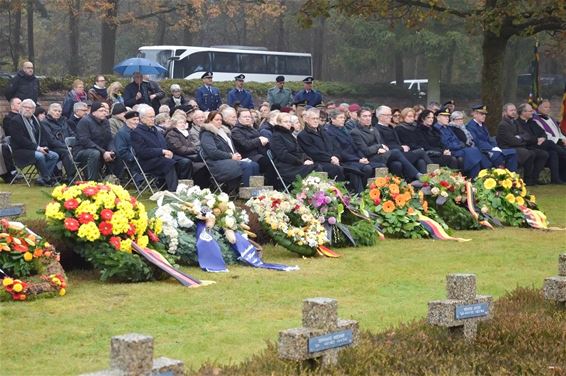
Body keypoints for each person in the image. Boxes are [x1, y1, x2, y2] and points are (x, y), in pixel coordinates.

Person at [131, 105, 191, 192]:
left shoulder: (155, 130)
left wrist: (168, 152)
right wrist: (162, 152)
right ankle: (173, 191)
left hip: (162, 157)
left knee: (185, 162)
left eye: (154, 116)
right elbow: (142, 152)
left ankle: (184, 189)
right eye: (150, 117)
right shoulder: (136, 133)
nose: (153, 119)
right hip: (148, 161)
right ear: (142, 118)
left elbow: (165, 145)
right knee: (169, 163)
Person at [351, 108, 421, 181]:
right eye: (364, 116)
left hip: (380, 155)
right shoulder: (355, 132)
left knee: (397, 164)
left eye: (369, 116)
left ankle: (399, 186)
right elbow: (366, 151)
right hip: (369, 158)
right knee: (396, 152)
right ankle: (416, 175)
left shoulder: (374, 129)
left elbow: (382, 144)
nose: (368, 118)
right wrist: (379, 147)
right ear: (359, 118)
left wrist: (382, 148)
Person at [200, 111, 260, 190]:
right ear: (210, 120)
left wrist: (236, 154)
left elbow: (232, 148)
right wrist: (231, 156)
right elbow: (212, 152)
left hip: (229, 160)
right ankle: (246, 193)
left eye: (221, 120)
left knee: (254, 165)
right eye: (216, 120)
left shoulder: (224, 132)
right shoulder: (207, 134)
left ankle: (255, 192)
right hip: (216, 163)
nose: (219, 122)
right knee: (247, 166)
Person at [7, 99, 59, 186]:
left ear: (34, 110)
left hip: (35, 148)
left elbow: (42, 136)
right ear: (21, 108)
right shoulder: (15, 121)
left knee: (54, 156)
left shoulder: (35, 120)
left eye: (30, 108)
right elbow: (21, 140)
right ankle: (47, 178)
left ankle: (42, 178)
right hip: (21, 151)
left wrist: (44, 147)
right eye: (25, 107)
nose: (27, 109)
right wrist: (38, 148)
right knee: (40, 155)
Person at [496, 103, 548, 186]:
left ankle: (533, 178)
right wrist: (521, 139)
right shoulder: (503, 125)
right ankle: (527, 180)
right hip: (508, 148)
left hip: (520, 146)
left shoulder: (515, 123)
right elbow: (512, 141)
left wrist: (520, 138)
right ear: (505, 112)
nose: (513, 112)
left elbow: (526, 135)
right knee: (529, 153)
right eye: (511, 110)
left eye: (514, 110)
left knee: (543, 154)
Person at [515, 103, 566, 184]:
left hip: (539, 144)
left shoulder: (531, 122)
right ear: (523, 112)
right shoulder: (517, 123)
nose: (532, 112)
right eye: (530, 111)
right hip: (528, 145)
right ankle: (564, 153)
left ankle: (554, 179)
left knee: (553, 153)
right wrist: (537, 140)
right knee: (550, 143)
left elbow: (543, 133)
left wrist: (542, 138)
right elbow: (525, 137)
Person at [324, 109, 373, 193]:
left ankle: (363, 192)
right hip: (345, 160)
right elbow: (339, 151)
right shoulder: (329, 132)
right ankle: (360, 193)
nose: (343, 119)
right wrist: (358, 160)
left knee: (370, 166)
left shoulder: (344, 129)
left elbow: (354, 146)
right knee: (366, 168)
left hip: (354, 158)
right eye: (340, 117)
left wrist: (362, 157)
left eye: (343, 117)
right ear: (332, 119)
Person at [434, 108, 491, 178]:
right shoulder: (436, 129)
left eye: (448, 116)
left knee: (475, 157)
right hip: (451, 151)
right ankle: (488, 170)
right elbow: (446, 144)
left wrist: (460, 144)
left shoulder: (447, 127)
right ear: (438, 118)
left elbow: (456, 139)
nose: (447, 118)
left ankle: (476, 178)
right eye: (445, 116)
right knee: (474, 151)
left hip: (459, 148)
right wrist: (460, 145)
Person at [375, 105, 431, 174]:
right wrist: (401, 147)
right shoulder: (377, 129)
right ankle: (436, 174)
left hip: (401, 153)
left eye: (390, 115)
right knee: (420, 152)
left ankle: (425, 182)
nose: (390, 117)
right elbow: (384, 146)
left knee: (420, 161)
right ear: (380, 116)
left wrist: (403, 147)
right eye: (388, 115)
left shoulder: (391, 128)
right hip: (391, 154)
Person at [271, 112, 319, 186]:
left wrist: (306, 159)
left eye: (289, 121)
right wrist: (301, 162)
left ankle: (313, 193)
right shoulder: (276, 136)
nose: (288, 124)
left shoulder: (289, 134)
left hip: (295, 164)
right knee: (316, 168)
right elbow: (283, 155)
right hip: (286, 167)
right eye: (285, 122)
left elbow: (300, 151)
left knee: (317, 166)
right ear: (279, 123)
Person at [297, 108, 346, 181]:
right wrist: (330, 158)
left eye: (317, 118)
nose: (316, 120)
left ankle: (355, 191)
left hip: (333, 160)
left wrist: (336, 156)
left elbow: (335, 146)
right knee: (337, 169)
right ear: (306, 120)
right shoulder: (303, 135)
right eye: (313, 118)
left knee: (354, 170)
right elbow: (313, 153)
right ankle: (338, 191)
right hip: (318, 162)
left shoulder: (324, 132)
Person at [466, 104, 518, 171]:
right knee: (498, 156)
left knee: (512, 152)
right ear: (475, 114)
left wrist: (495, 146)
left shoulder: (483, 125)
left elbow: (489, 138)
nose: (484, 116)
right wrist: (492, 148)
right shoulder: (470, 126)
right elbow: (477, 142)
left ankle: (511, 176)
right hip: (482, 151)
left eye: (485, 114)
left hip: (490, 149)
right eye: (482, 114)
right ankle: (499, 176)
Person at [74, 101, 117, 181]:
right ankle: (92, 181)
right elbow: (85, 141)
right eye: (101, 111)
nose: (104, 113)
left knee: (117, 152)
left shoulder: (106, 122)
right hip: (82, 151)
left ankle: (112, 179)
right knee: (94, 153)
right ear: (93, 112)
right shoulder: (84, 121)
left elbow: (109, 139)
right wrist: (103, 152)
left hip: (100, 150)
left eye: (105, 111)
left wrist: (111, 151)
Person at [231, 108, 270, 176]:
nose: (247, 118)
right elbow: (245, 145)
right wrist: (259, 140)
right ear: (238, 118)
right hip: (248, 156)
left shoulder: (252, 129)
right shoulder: (236, 131)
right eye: (245, 117)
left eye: (249, 117)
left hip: (260, 154)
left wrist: (266, 141)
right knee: (267, 163)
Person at [114, 110, 141, 185]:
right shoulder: (122, 133)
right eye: (134, 120)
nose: (136, 122)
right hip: (131, 159)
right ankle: (140, 181)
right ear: (126, 120)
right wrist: (133, 157)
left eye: (138, 119)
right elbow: (122, 150)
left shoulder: (139, 131)